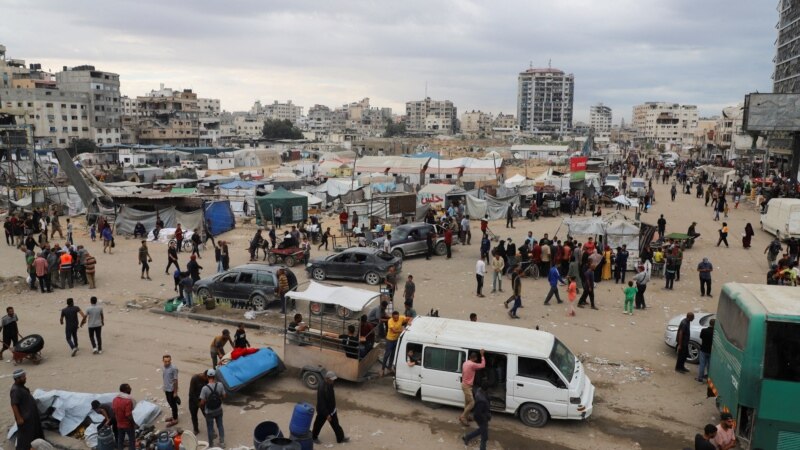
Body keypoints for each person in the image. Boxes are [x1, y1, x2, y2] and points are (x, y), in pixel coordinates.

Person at [311, 371, 349, 444]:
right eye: (332, 379)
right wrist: (327, 414)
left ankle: (340, 438)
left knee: (336, 424)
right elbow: (321, 403)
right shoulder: (322, 388)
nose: (333, 381)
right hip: (323, 411)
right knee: (318, 425)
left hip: (332, 410)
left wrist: (333, 408)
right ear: (327, 378)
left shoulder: (330, 384)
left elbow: (331, 397)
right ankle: (314, 437)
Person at [11, 369, 44, 450]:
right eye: (23, 377)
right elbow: (14, 404)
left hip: (30, 417)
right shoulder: (15, 390)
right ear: (17, 379)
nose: (25, 378)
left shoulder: (20, 387)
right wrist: (19, 418)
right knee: (26, 437)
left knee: (35, 433)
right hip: (25, 419)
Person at [458, 349, 486, 427]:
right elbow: (483, 365)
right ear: (475, 358)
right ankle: (463, 417)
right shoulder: (472, 365)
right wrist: (482, 355)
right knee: (472, 403)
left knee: (467, 403)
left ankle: (466, 416)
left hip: (464, 384)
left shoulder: (465, 363)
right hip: (467, 386)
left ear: (470, 357)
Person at [200, 369, 226, 448]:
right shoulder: (220, 385)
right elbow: (224, 396)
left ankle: (211, 445)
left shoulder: (204, 388)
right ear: (214, 377)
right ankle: (222, 443)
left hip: (209, 412)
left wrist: (205, 402)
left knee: (210, 428)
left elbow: (202, 402)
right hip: (219, 409)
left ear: (207, 377)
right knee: (220, 425)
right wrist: (219, 398)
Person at [461, 381, 491, 450]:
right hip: (481, 418)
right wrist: (485, 417)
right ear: (487, 389)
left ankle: (467, 437)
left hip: (482, 416)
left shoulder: (479, 391)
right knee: (484, 436)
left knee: (482, 430)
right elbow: (478, 413)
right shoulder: (482, 401)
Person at [381, 311, 411, 376]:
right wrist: (403, 330)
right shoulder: (390, 321)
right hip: (390, 340)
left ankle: (389, 367)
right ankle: (382, 369)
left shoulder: (401, 318)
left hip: (396, 340)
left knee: (393, 354)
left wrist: (409, 322)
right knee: (387, 354)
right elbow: (394, 331)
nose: (396, 319)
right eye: (395, 318)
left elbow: (409, 318)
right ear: (392, 317)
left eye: (397, 318)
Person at [112, 384, 137, 450]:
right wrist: (134, 423)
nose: (130, 389)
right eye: (129, 388)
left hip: (119, 424)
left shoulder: (115, 399)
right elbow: (128, 415)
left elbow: (114, 411)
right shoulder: (128, 401)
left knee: (120, 440)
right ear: (125, 390)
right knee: (132, 440)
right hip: (128, 425)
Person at [188, 371, 209, 435]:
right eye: (207, 378)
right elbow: (191, 393)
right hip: (193, 400)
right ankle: (196, 429)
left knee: (207, 415)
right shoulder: (194, 378)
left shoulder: (206, 380)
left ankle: (210, 428)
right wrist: (198, 403)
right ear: (204, 375)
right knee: (194, 415)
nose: (208, 380)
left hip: (202, 400)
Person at [161, 354, 179, 426]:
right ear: (163, 361)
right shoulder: (163, 367)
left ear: (170, 360)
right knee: (170, 403)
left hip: (172, 390)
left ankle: (175, 419)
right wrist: (164, 387)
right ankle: (173, 416)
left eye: (169, 361)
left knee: (173, 404)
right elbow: (165, 377)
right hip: (166, 389)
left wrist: (175, 392)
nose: (167, 363)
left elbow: (175, 381)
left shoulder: (174, 368)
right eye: (166, 361)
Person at [697, 318, 715, 383]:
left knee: (702, 364)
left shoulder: (704, 330)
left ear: (709, 323)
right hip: (711, 351)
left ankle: (700, 378)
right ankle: (708, 378)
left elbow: (701, 337)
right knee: (709, 365)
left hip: (703, 349)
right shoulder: (715, 333)